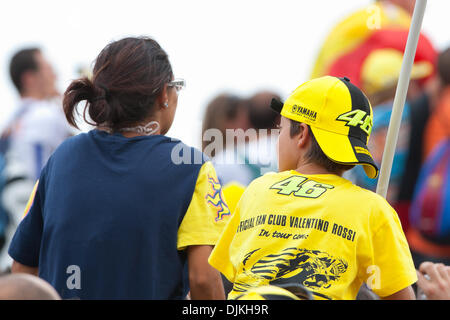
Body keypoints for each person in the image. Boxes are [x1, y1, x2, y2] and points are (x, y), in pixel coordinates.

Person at [8, 37, 228, 300]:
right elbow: (203, 279)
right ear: (162, 96)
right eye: (175, 87)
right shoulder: (190, 166)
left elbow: (22, 268)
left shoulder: (62, 158)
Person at [209, 76, 417, 300]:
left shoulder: (256, 190)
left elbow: (214, 279)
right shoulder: (373, 209)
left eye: (281, 129)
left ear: (302, 134)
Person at [0, 47, 72, 272]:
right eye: (48, 69)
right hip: (35, 237)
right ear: (29, 78)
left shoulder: (12, 121)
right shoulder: (45, 116)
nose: (55, 76)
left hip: (10, 239)